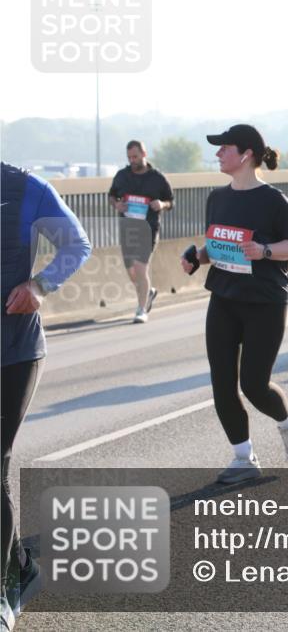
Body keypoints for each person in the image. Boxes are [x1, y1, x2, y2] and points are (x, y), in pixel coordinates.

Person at [181, 125, 288, 485]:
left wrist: (265, 251)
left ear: (247, 154)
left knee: (254, 384)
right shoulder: (216, 198)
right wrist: (197, 257)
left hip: (265, 301)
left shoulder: (272, 199)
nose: (218, 153)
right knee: (222, 383)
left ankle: (287, 424)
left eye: (225, 148)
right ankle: (243, 457)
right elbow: (217, 247)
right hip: (224, 297)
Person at [2, 163, 91, 628]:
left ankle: (5, 590)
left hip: (12, 351)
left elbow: (77, 245)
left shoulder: (25, 188)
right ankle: (22, 567)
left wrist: (39, 285)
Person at [108, 140, 174, 323]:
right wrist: (117, 204)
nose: (132, 160)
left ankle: (141, 309)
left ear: (144, 154)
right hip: (128, 229)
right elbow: (112, 195)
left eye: (135, 156)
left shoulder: (157, 178)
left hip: (148, 229)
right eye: (129, 157)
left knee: (140, 268)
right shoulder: (122, 175)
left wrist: (162, 204)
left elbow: (170, 201)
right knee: (132, 272)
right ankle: (149, 292)